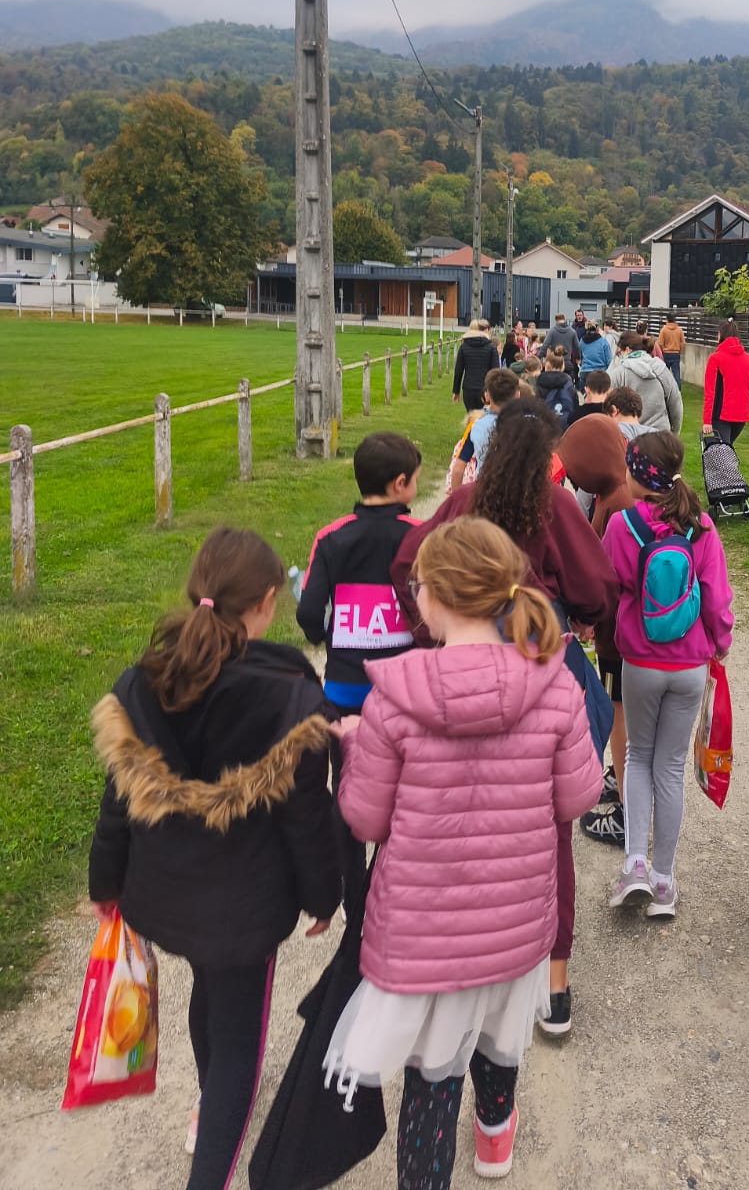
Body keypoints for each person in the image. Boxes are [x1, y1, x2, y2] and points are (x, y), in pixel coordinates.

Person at [328, 516, 601, 1189]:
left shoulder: (394, 699)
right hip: (515, 921)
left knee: (431, 1074)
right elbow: (577, 797)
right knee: (500, 1035)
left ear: (432, 596)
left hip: (424, 933)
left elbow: (365, 818)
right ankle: (495, 1137)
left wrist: (357, 745)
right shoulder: (555, 685)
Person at [88, 529, 340, 1190]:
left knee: (210, 990)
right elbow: (307, 816)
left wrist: (105, 881)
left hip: (167, 900)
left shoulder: (144, 680)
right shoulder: (289, 695)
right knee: (238, 1055)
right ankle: (214, 1136)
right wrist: (324, 895)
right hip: (244, 915)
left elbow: (117, 799)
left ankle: (208, 1102)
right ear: (265, 602)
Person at [392, 400, 617, 1041]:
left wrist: (432, 630)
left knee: (460, 816)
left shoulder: (463, 505)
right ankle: (554, 984)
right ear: (546, 455)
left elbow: (407, 563)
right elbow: (598, 587)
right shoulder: (557, 507)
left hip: (464, 676)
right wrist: (576, 617)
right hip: (539, 673)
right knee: (550, 824)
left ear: (491, 450)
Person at [602, 433, 734, 916]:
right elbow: (716, 597)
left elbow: (607, 586)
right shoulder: (701, 526)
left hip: (640, 661)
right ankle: (663, 882)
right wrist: (720, 642)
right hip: (689, 665)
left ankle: (634, 865)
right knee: (671, 768)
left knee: (638, 756)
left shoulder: (622, 525)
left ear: (637, 476)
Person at [297, 433, 422, 894]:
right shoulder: (419, 536)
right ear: (400, 483)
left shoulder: (331, 537)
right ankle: (384, 884)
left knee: (347, 788)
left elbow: (309, 612)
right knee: (403, 787)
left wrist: (326, 638)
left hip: (345, 689)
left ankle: (353, 896)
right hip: (404, 690)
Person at [558, 415, 636, 847]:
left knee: (618, 716)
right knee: (619, 712)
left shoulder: (616, 503)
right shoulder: (615, 493)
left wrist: (588, 617)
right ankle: (620, 778)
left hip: (615, 639)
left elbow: (605, 575)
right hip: (617, 634)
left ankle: (627, 808)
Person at [449, 367, 521, 490]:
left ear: (487, 395)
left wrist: (457, 498)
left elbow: (458, 469)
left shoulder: (477, 426)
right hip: (517, 490)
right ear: (517, 394)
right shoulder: (527, 425)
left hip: (484, 490)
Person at [701, 319, 749, 445]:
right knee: (726, 448)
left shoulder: (715, 359)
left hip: (721, 415)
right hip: (741, 415)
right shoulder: (748, 359)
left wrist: (707, 420)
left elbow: (710, 392)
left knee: (724, 450)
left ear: (720, 334)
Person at [608, 331, 683, 434]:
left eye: (619, 353)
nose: (618, 356)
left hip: (631, 436)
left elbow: (607, 406)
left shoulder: (619, 374)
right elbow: (675, 402)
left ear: (627, 349)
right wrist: (675, 432)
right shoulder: (660, 368)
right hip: (660, 435)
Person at [452, 319, 500, 413]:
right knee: (485, 416)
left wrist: (456, 391)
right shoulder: (491, 348)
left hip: (469, 388)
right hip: (485, 389)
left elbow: (458, 371)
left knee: (471, 415)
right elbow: (495, 372)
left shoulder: (464, 347)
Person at [536, 346, 578, 431]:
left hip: (544, 427)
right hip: (564, 427)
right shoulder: (568, 384)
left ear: (546, 365)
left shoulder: (539, 383)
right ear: (563, 367)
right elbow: (575, 407)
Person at [540, 313, 582, 380]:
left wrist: (538, 357)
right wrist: (578, 357)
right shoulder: (572, 331)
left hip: (555, 363)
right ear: (564, 320)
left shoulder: (552, 331)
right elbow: (577, 347)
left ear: (556, 320)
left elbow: (545, 346)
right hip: (567, 363)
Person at [656, 312, 686, 389]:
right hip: (676, 353)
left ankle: (665, 389)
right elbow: (683, 343)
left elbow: (660, 343)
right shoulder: (679, 330)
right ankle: (678, 390)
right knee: (676, 374)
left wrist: (663, 350)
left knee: (664, 374)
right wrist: (680, 352)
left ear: (667, 320)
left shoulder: (663, 330)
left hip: (666, 353)